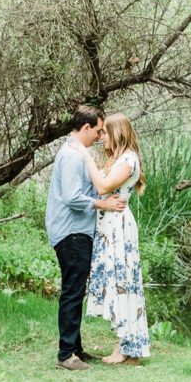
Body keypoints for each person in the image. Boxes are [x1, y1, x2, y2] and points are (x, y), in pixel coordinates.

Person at [45, 105, 126, 371]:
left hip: (77, 231)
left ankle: (75, 349)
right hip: (71, 232)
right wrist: (102, 205)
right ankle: (66, 355)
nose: (100, 136)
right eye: (99, 130)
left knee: (75, 290)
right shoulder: (71, 155)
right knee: (72, 291)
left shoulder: (78, 154)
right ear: (87, 127)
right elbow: (71, 197)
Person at [69, 113, 150, 365]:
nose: (101, 136)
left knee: (123, 283)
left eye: (105, 132)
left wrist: (85, 156)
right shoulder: (117, 158)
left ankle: (126, 348)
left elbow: (104, 187)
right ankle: (124, 344)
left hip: (119, 227)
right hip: (107, 227)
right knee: (115, 283)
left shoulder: (129, 159)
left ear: (117, 133)